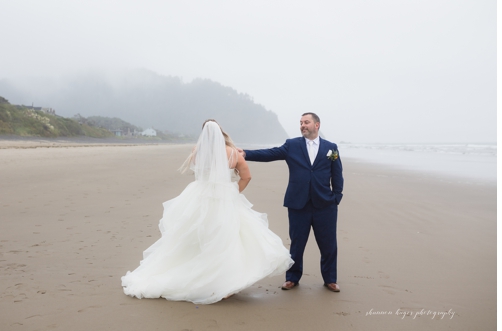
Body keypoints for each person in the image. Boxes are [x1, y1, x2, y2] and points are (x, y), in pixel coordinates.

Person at [122, 120, 293, 304]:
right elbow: (247, 176)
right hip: (224, 198)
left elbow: (199, 170)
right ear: (221, 133)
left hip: (199, 197)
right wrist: (234, 192)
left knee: (195, 238)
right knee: (227, 238)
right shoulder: (232, 153)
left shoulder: (197, 151)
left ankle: (199, 276)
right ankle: (225, 283)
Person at [242, 112, 345, 292]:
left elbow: (337, 174)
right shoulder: (292, 145)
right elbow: (270, 153)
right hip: (298, 204)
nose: (302, 125)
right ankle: (292, 278)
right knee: (297, 244)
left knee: (328, 245)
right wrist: (245, 154)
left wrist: (336, 197)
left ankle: (330, 279)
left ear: (317, 125)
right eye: (301, 122)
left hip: (325, 205)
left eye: (306, 122)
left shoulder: (331, 148)